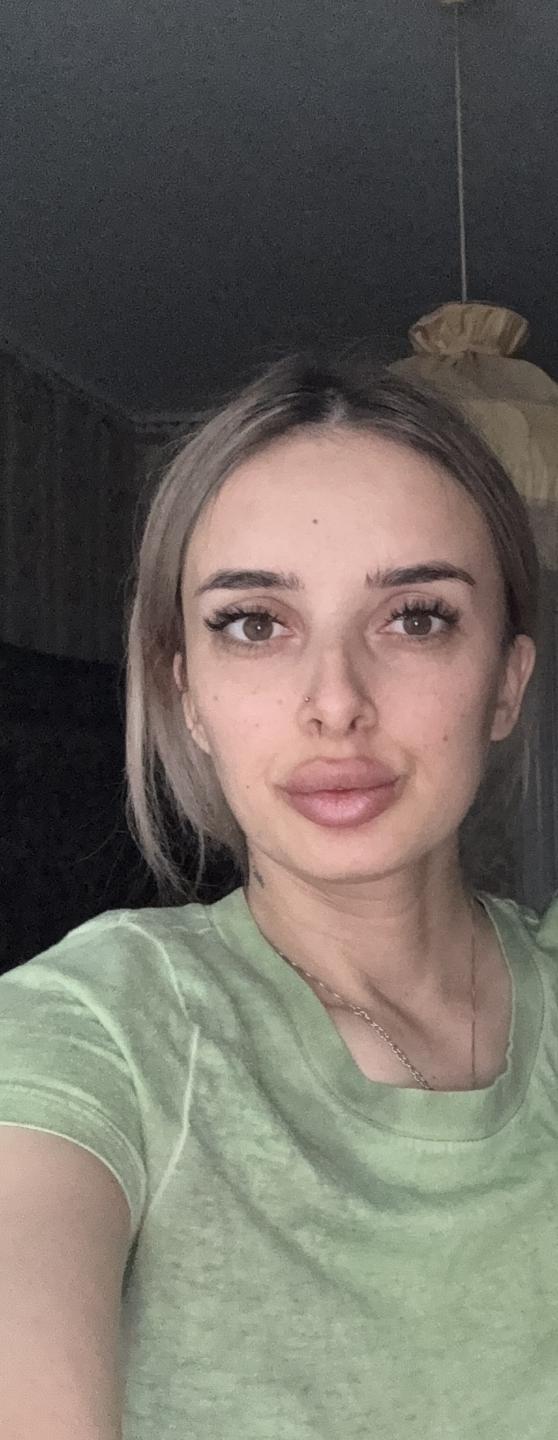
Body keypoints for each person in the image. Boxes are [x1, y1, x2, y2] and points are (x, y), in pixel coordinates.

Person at [0, 351, 555, 1440]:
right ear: (187, 695)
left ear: (505, 683)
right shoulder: (96, 1025)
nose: (334, 702)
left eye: (417, 617)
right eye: (255, 623)